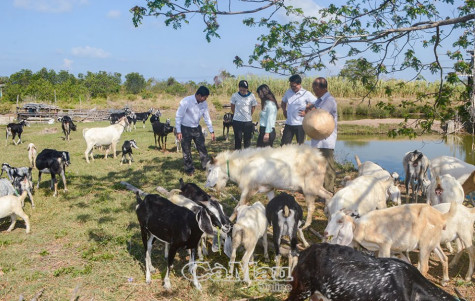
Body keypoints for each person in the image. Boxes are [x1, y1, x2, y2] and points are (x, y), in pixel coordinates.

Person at [175, 86, 216, 176]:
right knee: (186, 150)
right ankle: (189, 169)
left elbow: (207, 117)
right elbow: (178, 116)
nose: (205, 100)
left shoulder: (204, 103)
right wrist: (178, 131)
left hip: (197, 128)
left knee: (202, 148)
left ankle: (206, 166)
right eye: (204, 97)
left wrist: (211, 131)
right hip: (185, 128)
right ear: (199, 95)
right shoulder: (186, 101)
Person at [308, 77, 338, 193]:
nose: (314, 90)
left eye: (315, 88)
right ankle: (320, 190)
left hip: (326, 139)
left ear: (321, 88)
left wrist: (309, 111)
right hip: (317, 139)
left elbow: (319, 114)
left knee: (328, 166)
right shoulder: (319, 100)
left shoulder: (329, 100)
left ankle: (329, 191)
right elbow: (313, 108)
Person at [281, 74, 316, 146]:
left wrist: (307, 113)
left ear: (299, 84)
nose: (292, 88)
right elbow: (283, 102)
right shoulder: (288, 92)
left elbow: (316, 103)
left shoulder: (306, 94)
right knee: (284, 145)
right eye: (291, 86)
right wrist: (284, 111)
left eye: (294, 86)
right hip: (289, 123)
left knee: (300, 146)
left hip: (300, 124)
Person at [230, 80, 258, 149]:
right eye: (241, 90)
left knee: (247, 140)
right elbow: (232, 106)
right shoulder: (235, 96)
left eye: (244, 90)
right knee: (238, 139)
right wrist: (236, 114)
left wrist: (249, 115)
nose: (243, 91)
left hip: (247, 121)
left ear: (247, 89)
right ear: (239, 88)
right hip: (237, 121)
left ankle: (246, 156)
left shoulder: (252, 96)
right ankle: (238, 156)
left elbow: (253, 107)